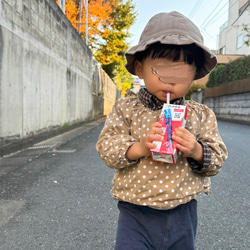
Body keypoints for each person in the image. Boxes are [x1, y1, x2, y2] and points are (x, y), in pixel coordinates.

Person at [96, 11, 228, 250]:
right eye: (161, 70)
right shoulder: (126, 109)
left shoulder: (199, 114)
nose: (170, 81)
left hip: (183, 211)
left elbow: (217, 158)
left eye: (180, 72)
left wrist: (196, 150)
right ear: (140, 68)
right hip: (134, 211)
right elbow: (106, 147)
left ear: (194, 74)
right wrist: (139, 148)